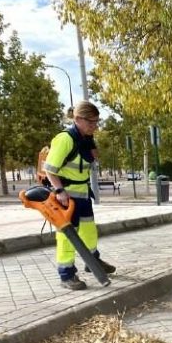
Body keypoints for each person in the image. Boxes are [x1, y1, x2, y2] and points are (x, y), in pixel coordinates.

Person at [44, 100, 115, 290]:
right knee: (67, 235)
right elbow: (49, 169)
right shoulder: (65, 139)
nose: (95, 126)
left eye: (96, 122)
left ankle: (93, 262)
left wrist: (91, 143)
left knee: (89, 230)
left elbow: (92, 158)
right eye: (91, 122)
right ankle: (67, 274)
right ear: (77, 119)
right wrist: (59, 191)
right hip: (67, 197)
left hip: (82, 194)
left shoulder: (85, 138)